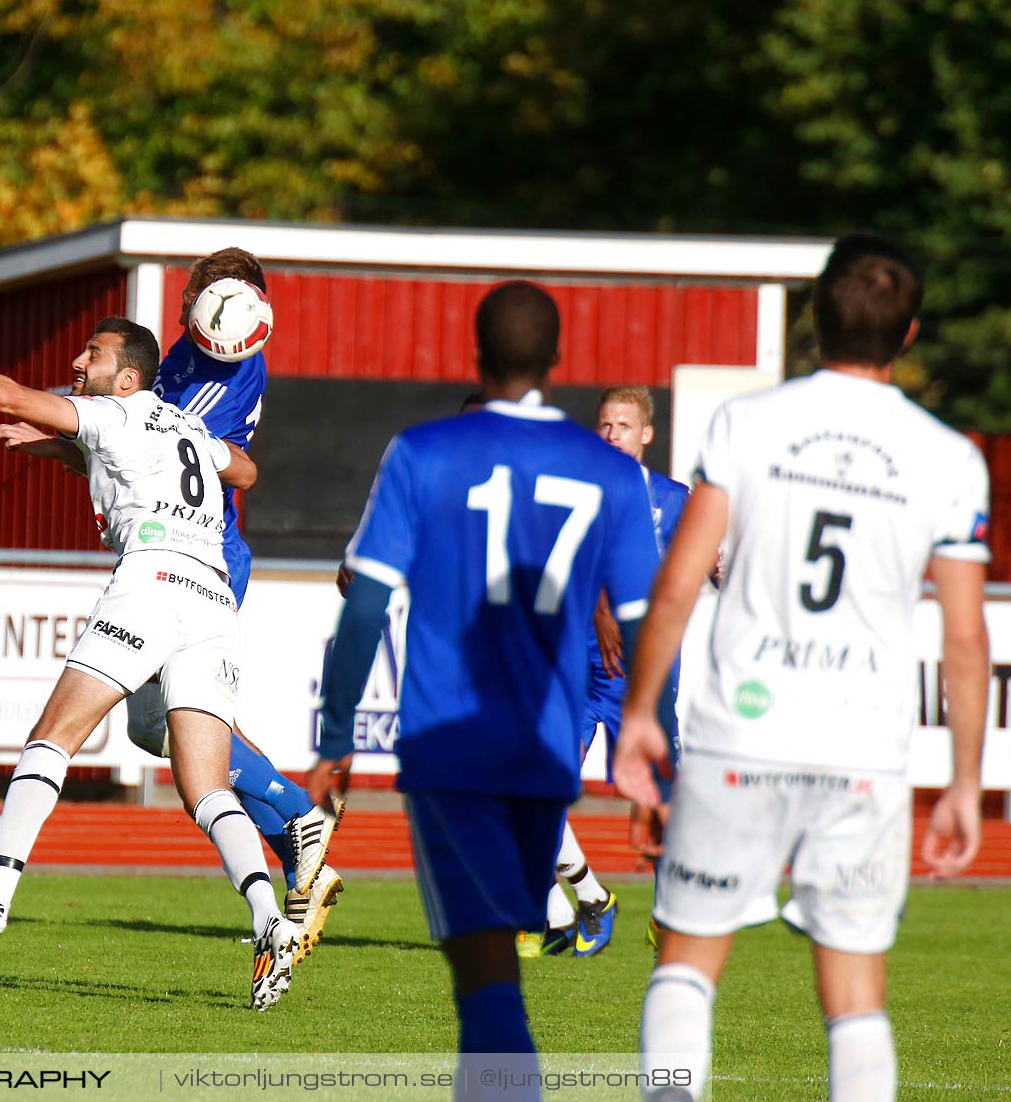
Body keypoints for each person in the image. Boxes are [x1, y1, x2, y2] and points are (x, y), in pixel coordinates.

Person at [616, 233, 989, 1102]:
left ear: (814, 320)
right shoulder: (949, 457)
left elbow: (678, 581)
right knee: (856, 995)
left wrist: (641, 712)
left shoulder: (748, 423)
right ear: (911, 333)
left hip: (739, 734)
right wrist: (964, 781)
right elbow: (966, 641)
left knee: (687, 960)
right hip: (863, 751)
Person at [0, 316, 305, 1010]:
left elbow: (5, 394)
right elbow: (247, 469)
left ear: (128, 377)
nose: (79, 361)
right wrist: (61, 451)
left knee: (53, 737)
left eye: (95, 355)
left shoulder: (112, 412)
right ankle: (269, 921)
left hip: (153, 584)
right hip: (212, 604)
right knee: (204, 789)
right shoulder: (184, 427)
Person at [310, 282, 664, 1081]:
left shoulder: (424, 452)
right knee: (499, 966)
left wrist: (336, 738)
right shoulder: (602, 470)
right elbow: (647, 629)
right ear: (556, 360)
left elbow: (363, 608)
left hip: (449, 746)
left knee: (487, 985)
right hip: (544, 746)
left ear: (476, 354)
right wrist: (653, 752)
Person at [0, 248, 344, 962]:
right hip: (185, 560)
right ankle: (297, 838)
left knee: (169, 734)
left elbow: (145, 444)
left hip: (200, 560)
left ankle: (300, 818)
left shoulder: (224, 375)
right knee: (163, 732)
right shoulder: (189, 352)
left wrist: (57, 438)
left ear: (225, 309)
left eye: (191, 297)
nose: (180, 307)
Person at [522, 386, 690, 959]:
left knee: (666, 807)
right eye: (604, 424)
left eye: (623, 424)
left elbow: (698, 568)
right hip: (574, 667)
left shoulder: (674, 499)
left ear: (647, 434)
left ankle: (669, 917)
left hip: (641, 676)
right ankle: (578, 902)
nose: (611, 433)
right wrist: (595, 609)